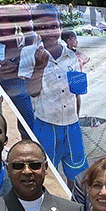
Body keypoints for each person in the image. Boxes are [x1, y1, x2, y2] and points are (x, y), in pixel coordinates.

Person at [21, 10, 89, 181]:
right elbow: (32, 91)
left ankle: (77, 206)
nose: (50, 32)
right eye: (43, 27)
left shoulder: (71, 55)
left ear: (60, 27)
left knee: (79, 175)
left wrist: (76, 117)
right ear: (36, 28)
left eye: (54, 26)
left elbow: (77, 93)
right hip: (46, 125)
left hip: (72, 126)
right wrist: (40, 67)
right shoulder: (29, 53)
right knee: (45, 176)